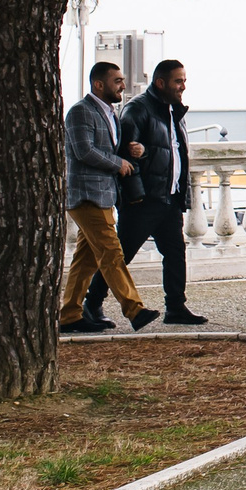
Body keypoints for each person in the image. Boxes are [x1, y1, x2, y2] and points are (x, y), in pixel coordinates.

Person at [82, 58, 208, 327]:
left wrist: (179, 193)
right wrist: (135, 194)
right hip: (144, 199)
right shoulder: (138, 109)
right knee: (120, 255)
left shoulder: (175, 110)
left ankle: (176, 306)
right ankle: (91, 304)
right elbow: (125, 151)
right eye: (178, 80)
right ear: (161, 82)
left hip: (170, 196)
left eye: (184, 80)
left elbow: (173, 152)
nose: (183, 86)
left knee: (175, 252)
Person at [59, 61, 157, 335]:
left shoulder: (111, 113)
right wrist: (117, 163)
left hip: (103, 195)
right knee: (112, 252)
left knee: (86, 259)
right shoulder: (80, 112)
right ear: (98, 84)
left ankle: (69, 315)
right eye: (117, 81)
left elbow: (109, 147)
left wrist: (135, 151)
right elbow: (83, 151)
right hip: (86, 195)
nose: (123, 86)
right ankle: (135, 310)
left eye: (123, 80)